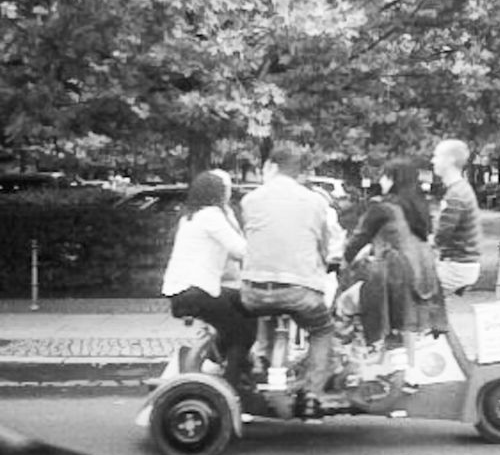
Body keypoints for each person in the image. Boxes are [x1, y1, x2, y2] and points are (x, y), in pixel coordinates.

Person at [238, 146, 339, 412]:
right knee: (322, 329)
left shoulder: (250, 201)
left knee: (267, 312)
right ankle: (312, 393)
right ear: (299, 173)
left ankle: (262, 362)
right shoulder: (316, 202)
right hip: (299, 290)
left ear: (271, 167)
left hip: (254, 291)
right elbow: (324, 245)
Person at [160, 170, 257, 384]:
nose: (229, 194)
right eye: (227, 189)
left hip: (184, 291)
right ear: (218, 193)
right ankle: (231, 383)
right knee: (243, 332)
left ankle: (215, 362)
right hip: (197, 292)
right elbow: (240, 249)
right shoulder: (211, 216)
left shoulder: (190, 217)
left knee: (245, 306)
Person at [341, 158, 447, 347]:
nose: (380, 182)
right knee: (405, 329)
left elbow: (357, 241)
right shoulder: (421, 209)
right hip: (425, 278)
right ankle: (401, 363)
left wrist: (344, 261)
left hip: (394, 278)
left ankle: (354, 356)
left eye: (383, 177)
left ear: (393, 180)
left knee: (345, 304)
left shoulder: (382, 208)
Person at [430, 138, 483, 295]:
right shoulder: (459, 190)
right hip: (459, 264)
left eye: (437, 156)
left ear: (450, 160)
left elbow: (440, 237)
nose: (433, 161)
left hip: (457, 267)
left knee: (407, 292)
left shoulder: (456, 195)